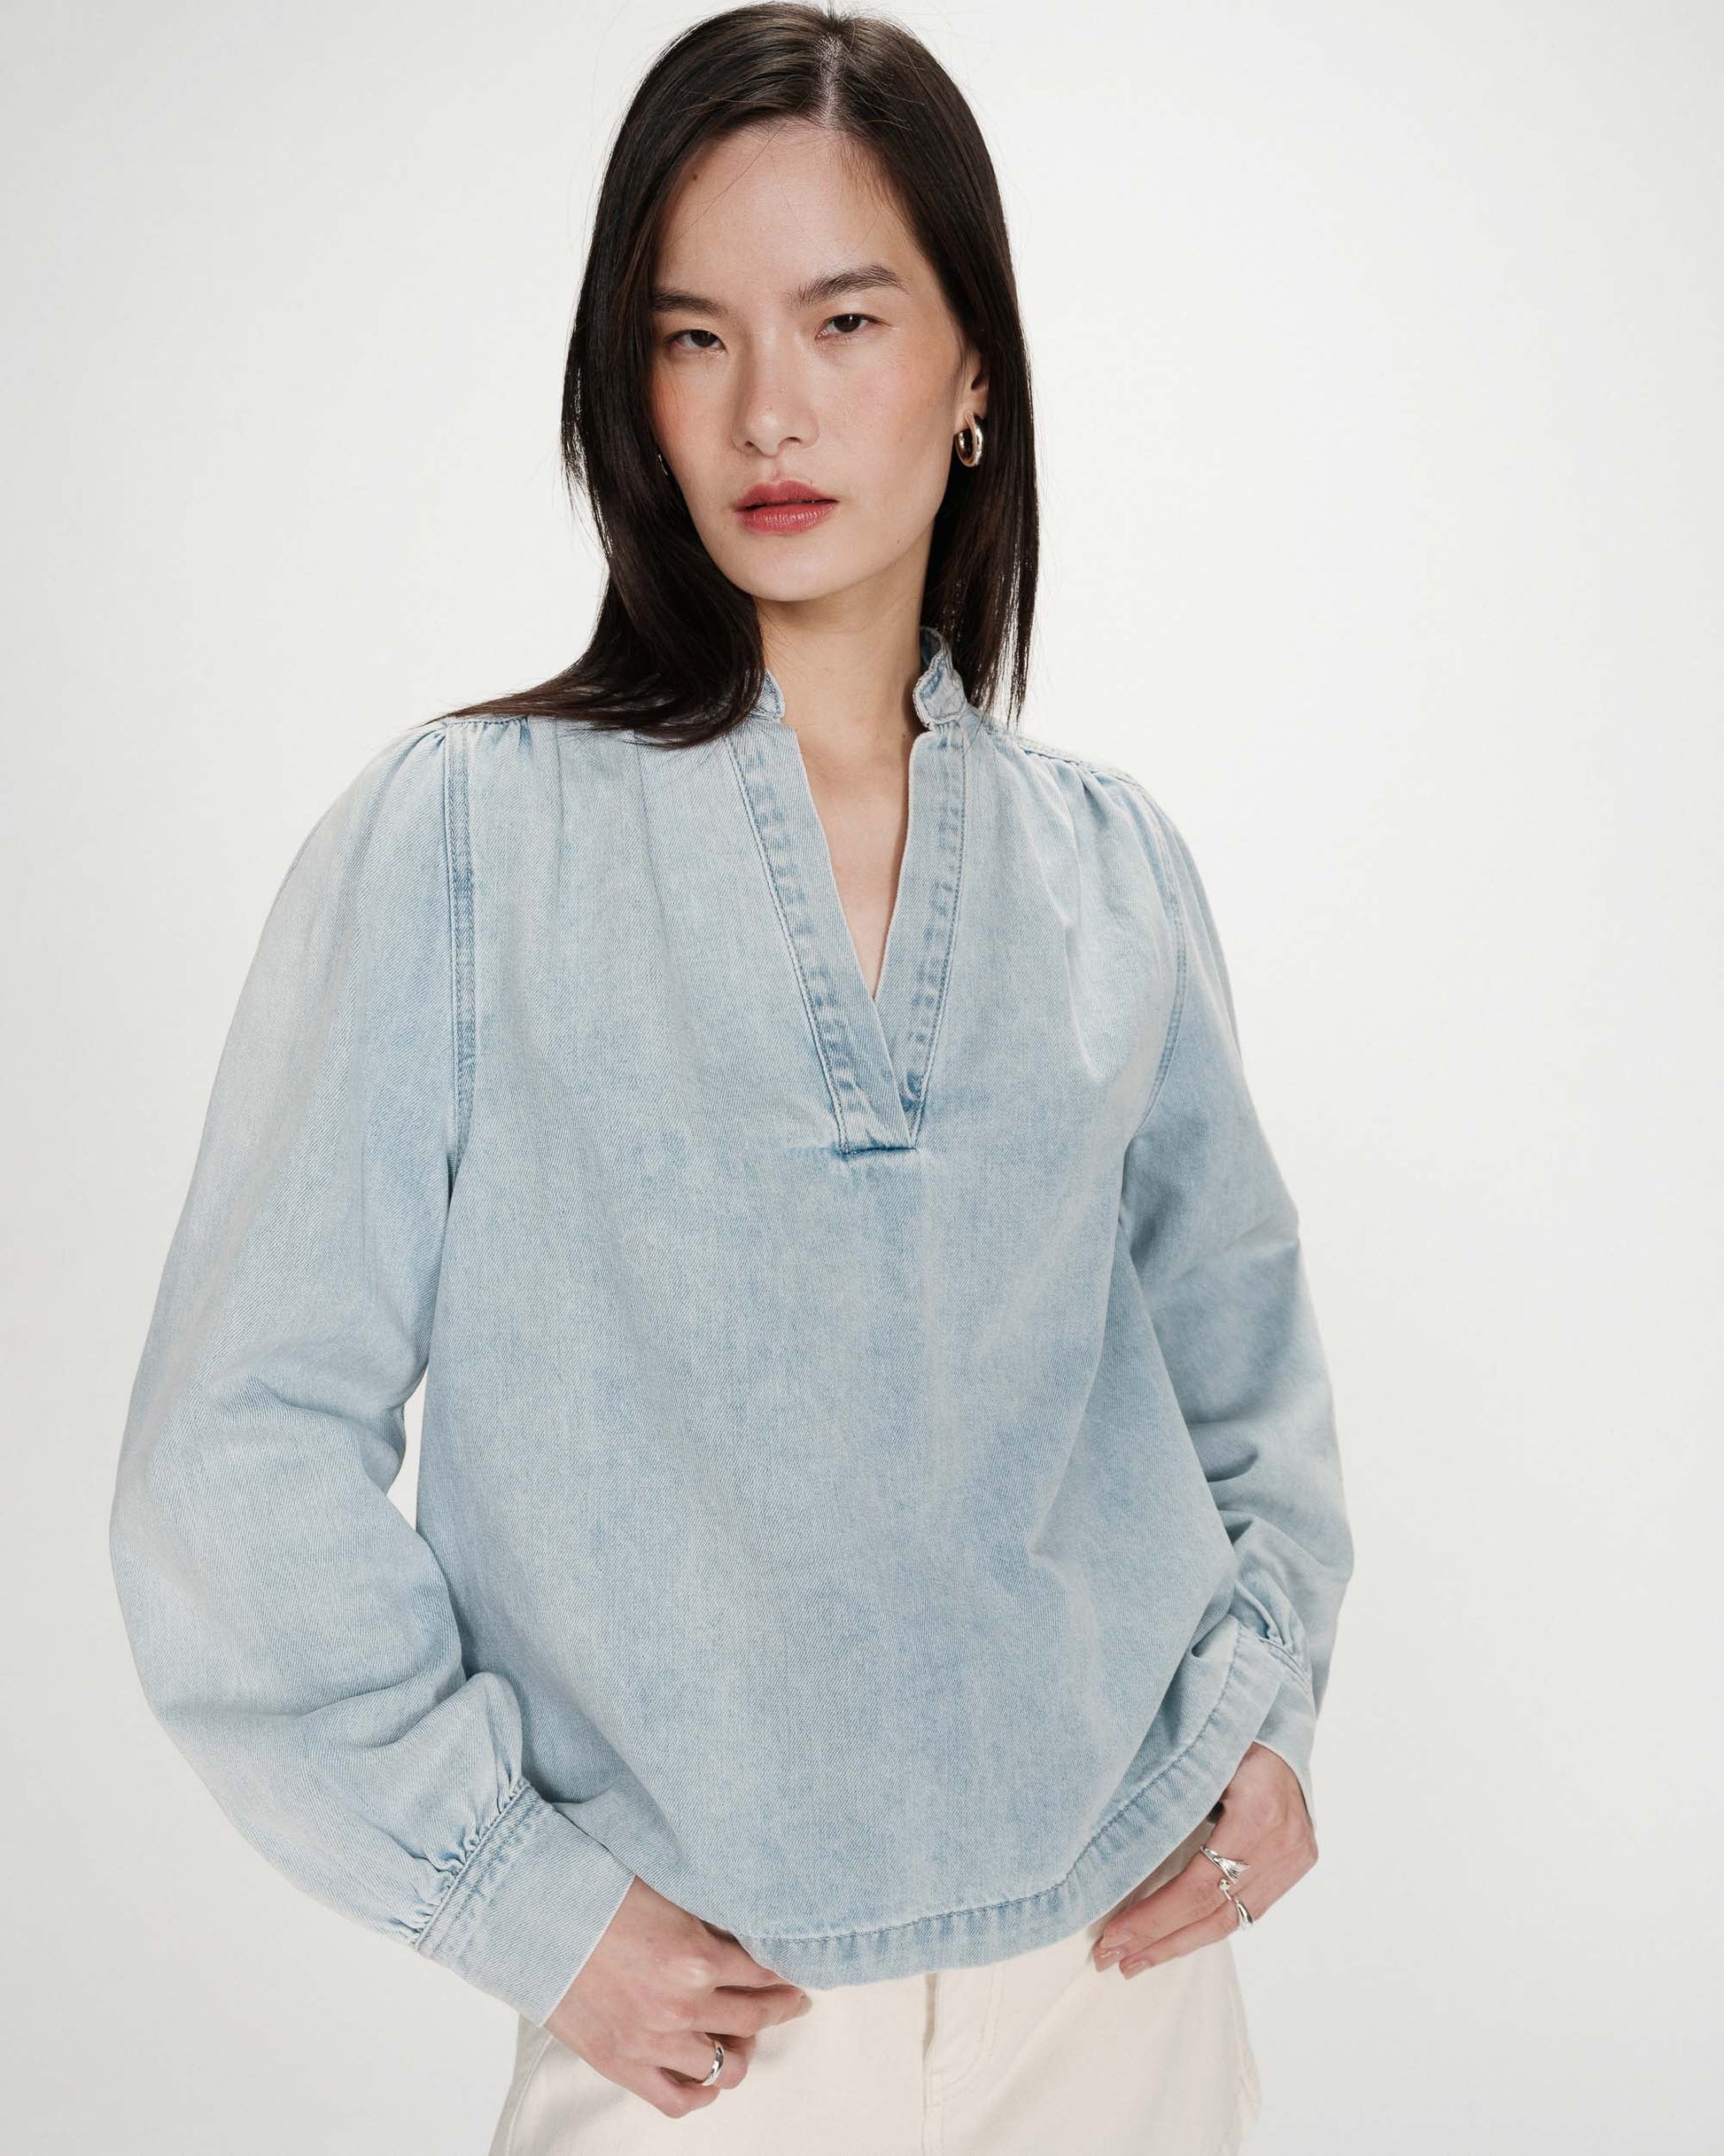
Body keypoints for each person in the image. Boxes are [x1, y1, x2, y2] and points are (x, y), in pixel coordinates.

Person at [108, 7, 1355, 2151]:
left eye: (844, 321)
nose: (766, 409)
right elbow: (236, 1456)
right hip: (706, 2037)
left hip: (1120, 1989)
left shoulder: (1111, 871)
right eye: (693, 337)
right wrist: (516, 1895)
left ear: (974, 372)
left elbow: (1246, 1381)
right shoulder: (462, 841)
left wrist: (1264, 1717)